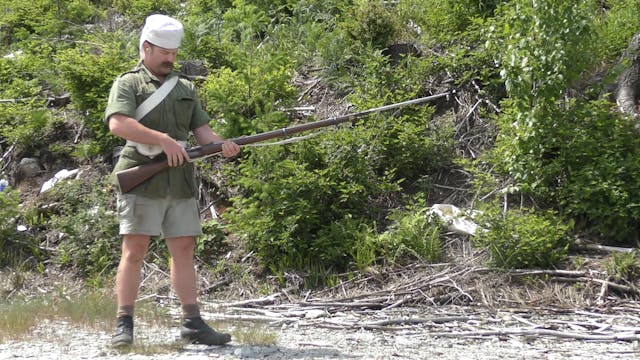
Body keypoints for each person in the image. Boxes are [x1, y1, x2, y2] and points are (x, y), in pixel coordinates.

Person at [104, 14, 241, 347]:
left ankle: (193, 322)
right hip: (141, 173)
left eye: (174, 52)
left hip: (178, 179)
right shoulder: (129, 83)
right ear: (146, 48)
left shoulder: (185, 87)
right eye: (164, 52)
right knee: (134, 251)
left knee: (183, 249)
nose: (170, 58)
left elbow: (204, 133)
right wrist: (162, 139)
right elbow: (118, 124)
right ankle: (124, 324)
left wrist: (224, 145)